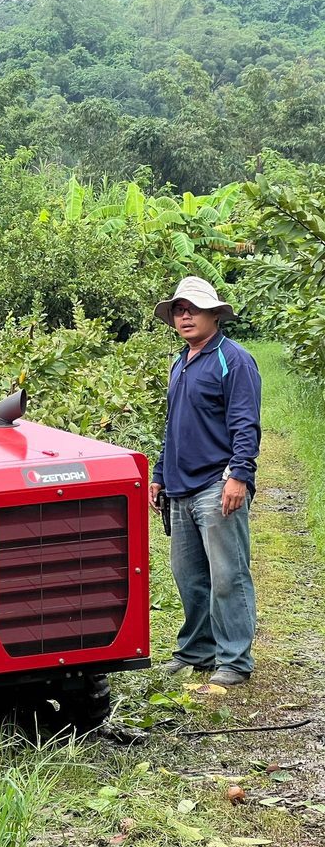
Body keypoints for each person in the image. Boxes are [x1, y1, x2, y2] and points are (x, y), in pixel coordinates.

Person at [150, 276, 261, 687]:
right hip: (180, 486)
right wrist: (160, 474)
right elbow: (173, 426)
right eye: (179, 310)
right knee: (189, 574)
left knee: (228, 574)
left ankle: (234, 659)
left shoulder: (233, 359)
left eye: (193, 309)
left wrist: (240, 475)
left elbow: (246, 423)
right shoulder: (181, 362)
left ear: (215, 314)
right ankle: (197, 650)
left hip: (219, 482)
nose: (185, 316)